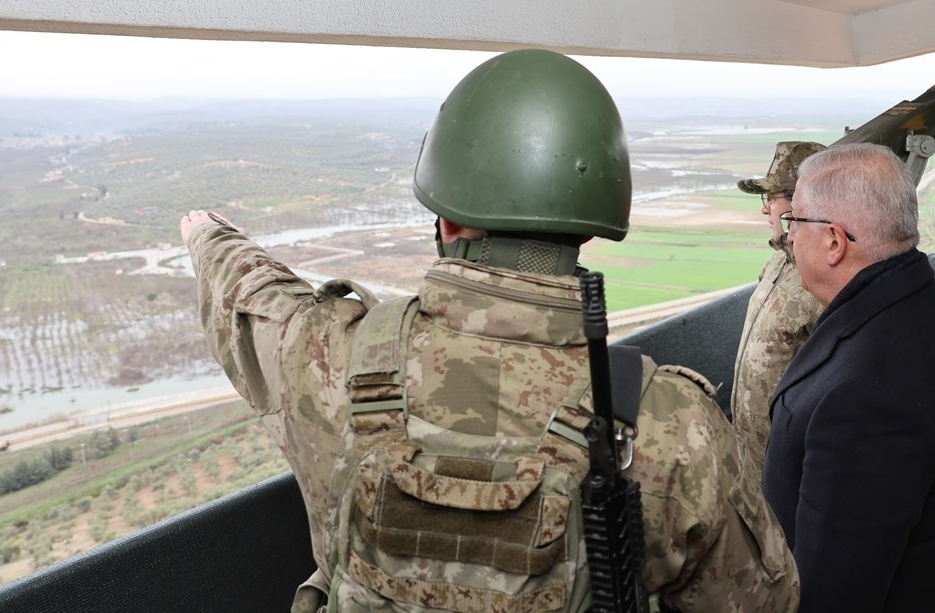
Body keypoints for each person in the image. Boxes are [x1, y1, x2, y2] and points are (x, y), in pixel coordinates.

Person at [180, 49, 799, 612]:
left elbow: (251, 296)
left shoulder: (323, 356)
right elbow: (764, 603)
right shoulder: (673, 423)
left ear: (447, 220)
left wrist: (206, 233)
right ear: (588, 225)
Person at [762, 143, 935, 612]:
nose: (789, 237)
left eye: (796, 221)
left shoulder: (869, 394)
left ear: (834, 241)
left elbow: (835, 589)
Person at [731, 141, 825, 470]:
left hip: (788, 460)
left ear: (798, 203)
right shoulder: (776, 263)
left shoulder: (823, 278)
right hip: (752, 454)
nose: (764, 209)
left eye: (770, 198)